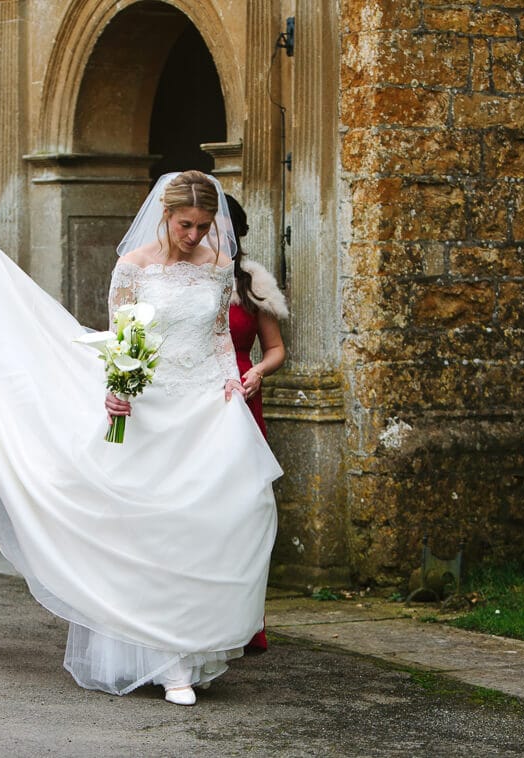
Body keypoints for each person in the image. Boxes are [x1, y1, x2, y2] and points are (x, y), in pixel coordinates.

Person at [0, 170, 281, 705]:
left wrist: (233, 381)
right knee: (151, 529)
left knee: (226, 517)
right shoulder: (133, 267)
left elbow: (220, 335)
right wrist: (116, 389)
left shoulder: (221, 268)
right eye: (184, 224)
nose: (194, 236)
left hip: (205, 408)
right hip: (148, 411)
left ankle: (191, 649)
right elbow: (122, 338)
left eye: (203, 225)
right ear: (165, 216)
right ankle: (162, 660)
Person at [224, 193, 289, 651]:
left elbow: (275, 349)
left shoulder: (252, 282)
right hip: (191, 399)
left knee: (244, 508)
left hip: (242, 401)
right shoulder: (175, 278)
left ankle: (248, 622)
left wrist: (257, 372)